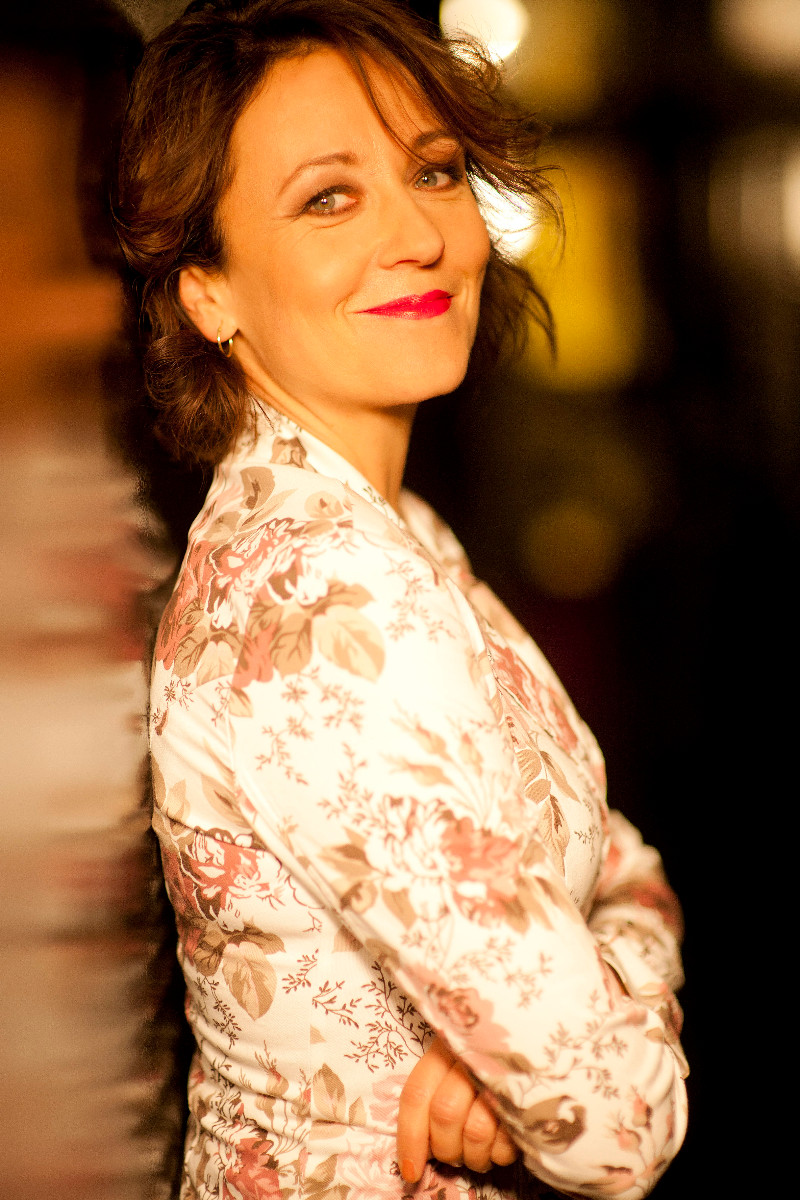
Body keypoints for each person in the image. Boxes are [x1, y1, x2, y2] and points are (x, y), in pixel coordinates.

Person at [115, 2, 688, 1196]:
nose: (419, 235)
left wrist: (591, 987)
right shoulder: (318, 611)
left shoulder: (395, 532)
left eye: (432, 172)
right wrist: (569, 1039)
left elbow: (628, 866)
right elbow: (615, 1125)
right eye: (328, 198)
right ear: (208, 289)